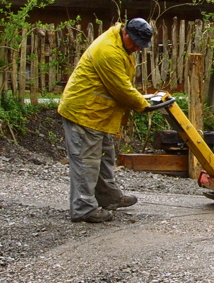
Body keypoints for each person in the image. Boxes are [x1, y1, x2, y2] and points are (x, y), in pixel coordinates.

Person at [57, 18, 154, 223]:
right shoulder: (108, 50)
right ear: (126, 33)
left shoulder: (121, 46)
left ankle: (108, 197)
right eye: (135, 42)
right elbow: (120, 87)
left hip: (99, 113)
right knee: (87, 162)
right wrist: (142, 104)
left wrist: (140, 99)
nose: (137, 47)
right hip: (85, 112)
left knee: (104, 158)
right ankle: (83, 208)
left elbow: (123, 83)